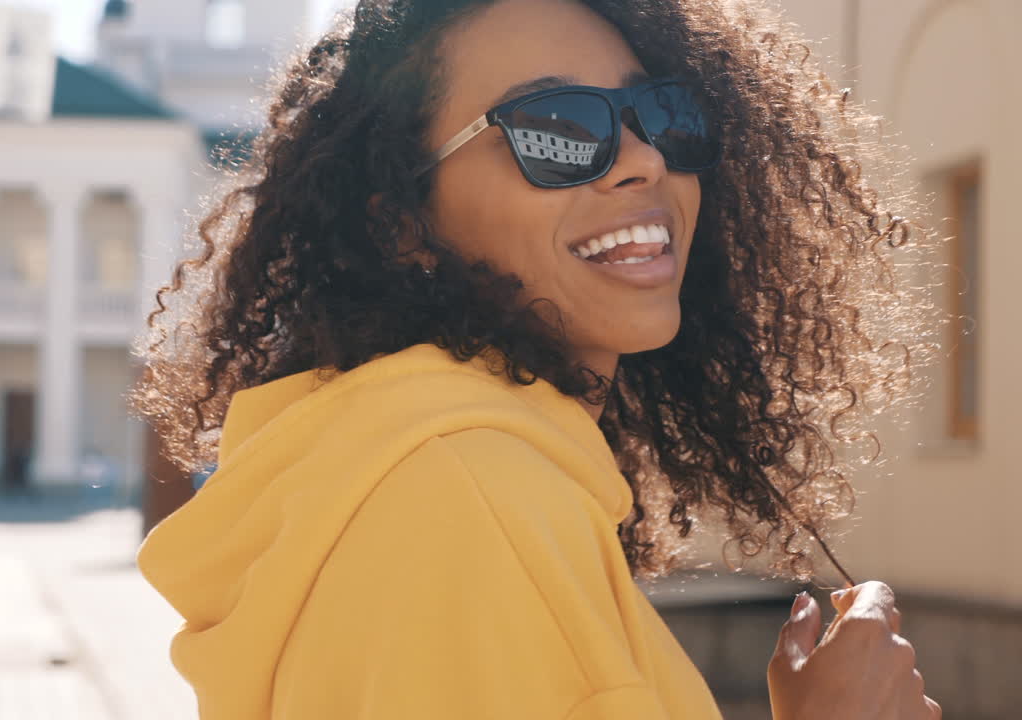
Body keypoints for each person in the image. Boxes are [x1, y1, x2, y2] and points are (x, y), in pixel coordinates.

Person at [134, 1, 939, 718]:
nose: (645, 161)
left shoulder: (409, 474)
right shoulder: (468, 505)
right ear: (401, 225)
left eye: (661, 115)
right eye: (556, 129)